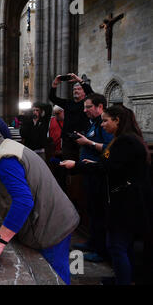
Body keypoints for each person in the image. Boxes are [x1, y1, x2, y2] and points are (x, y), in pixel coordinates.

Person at [0, 122, 80, 285]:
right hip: (55, 215)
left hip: (51, 225)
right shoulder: (6, 147)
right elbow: (8, 185)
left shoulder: (5, 160)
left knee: (53, 276)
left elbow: (23, 201)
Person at [61, 105, 152, 285]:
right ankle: (124, 278)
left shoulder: (126, 141)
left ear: (117, 120)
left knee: (117, 246)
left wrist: (78, 166)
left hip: (128, 201)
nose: (102, 125)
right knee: (123, 245)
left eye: (105, 120)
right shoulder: (124, 139)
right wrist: (92, 163)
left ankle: (123, 281)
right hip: (126, 198)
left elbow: (108, 167)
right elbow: (111, 163)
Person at [72, 94, 114, 263]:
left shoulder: (105, 126)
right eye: (85, 107)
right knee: (92, 210)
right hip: (90, 173)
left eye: (89, 107)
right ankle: (92, 242)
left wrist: (88, 143)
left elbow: (109, 148)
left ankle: (101, 250)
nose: (85, 110)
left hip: (100, 175)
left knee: (99, 213)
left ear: (100, 107)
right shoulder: (94, 124)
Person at [49, 73, 94, 160]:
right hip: (68, 139)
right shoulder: (68, 103)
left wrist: (80, 81)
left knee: (81, 162)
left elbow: (92, 94)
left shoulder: (86, 103)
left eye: (79, 89)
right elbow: (52, 98)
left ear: (84, 91)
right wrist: (54, 84)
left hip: (82, 137)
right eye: (74, 89)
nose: (76, 91)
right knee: (68, 164)